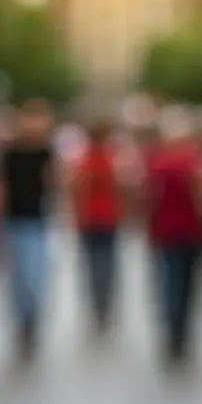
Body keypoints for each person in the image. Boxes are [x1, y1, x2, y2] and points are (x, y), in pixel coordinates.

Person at [143, 106, 202, 364]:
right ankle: (182, 330)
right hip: (192, 232)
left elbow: (148, 198)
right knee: (189, 285)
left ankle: (172, 330)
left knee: (169, 283)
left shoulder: (157, 162)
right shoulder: (197, 161)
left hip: (164, 232)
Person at [0, 100, 56, 359]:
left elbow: (56, 183)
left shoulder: (47, 153)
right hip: (15, 221)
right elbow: (0, 187)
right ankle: (23, 321)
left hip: (38, 220)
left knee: (35, 275)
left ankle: (32, 318)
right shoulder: (10, 154)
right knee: (19, 277)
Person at [72, 121, 122, 332]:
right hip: (106, 217)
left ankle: (98, 302)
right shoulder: (110, 159)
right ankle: (104, 302)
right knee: (107, 262)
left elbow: (78, 189)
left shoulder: (84, 160)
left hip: (91, 219)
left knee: (93, 263)